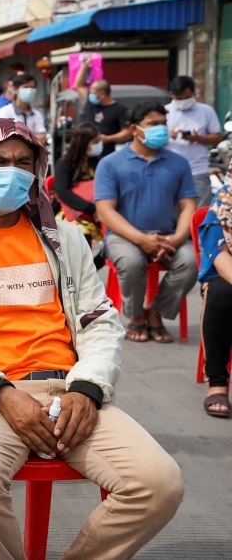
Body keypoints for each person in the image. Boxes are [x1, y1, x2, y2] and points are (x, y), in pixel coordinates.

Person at [0, 118, 183, 560]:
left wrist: (87, 389)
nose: (10, 172)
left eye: (22, 163)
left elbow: (99, 321)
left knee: (159, 483)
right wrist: (1, 393)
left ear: (36, 172)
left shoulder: (64, 237)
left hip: (67, 391)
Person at [95, 101, 198, 343]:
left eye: (163, 124)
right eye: (153, 124)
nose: (161, 129)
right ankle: (136, 316)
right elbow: (105, 212)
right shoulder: (110, 164)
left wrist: (177, 238)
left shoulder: (178, 162)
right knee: (131, 262)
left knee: (191, 262)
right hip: (124, 236)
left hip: (168, 236)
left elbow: (188, 207)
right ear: (133, 129)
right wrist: (141, 240)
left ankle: (156, 311)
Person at [196, 161, 232, 417]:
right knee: (220, 294)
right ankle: (217, 382)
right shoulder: (225, 203)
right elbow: (219, 255)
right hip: (227, 275)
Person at [165, 75, 222, 207]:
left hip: (197, 170)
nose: (183, 101)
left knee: (200, 210)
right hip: (170, 171)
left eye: (187, 98)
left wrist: (198, 138)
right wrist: (168, 135)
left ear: (194, 92)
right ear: (172, 94)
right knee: (171, 211)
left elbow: (216, 137)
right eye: (179, 99)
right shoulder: (164, 112)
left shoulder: (206, 111)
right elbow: (151, 139)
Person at [53, 123, 104, 267]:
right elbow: (63, 193)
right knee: (80, 231)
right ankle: (82, 272)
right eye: (96, 141)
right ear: (85, 143)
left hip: (99, 211)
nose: (100, 143)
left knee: (116, 238)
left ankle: (90, 270)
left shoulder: (98, 162)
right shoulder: (65, 164)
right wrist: (91, 209)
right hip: (71, 211)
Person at [72, 56, 131, 156]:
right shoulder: (92, 104)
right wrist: (85, 65)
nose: (90, 95)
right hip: (86, 151)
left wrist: (107, 138)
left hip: (106, 151)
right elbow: (79, 85)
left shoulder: (119, 110)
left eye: (92, 92)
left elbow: (127, 132)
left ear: (102, 94)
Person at [0, 73, 47, 145]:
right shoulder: (5, 112)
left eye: (32, 87)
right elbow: (6, 139)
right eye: (26, 87)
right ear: (15, 90)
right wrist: (33, 137)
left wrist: (19, 137)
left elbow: (42, 139)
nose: (30, 90)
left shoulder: (37, 115)